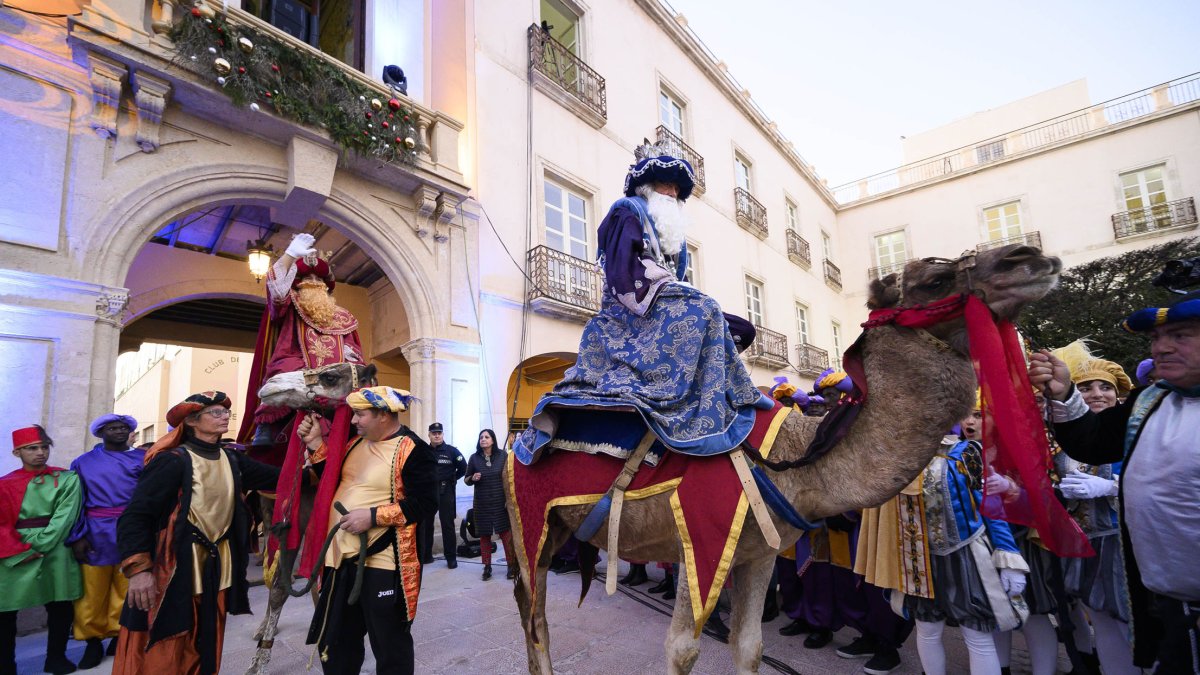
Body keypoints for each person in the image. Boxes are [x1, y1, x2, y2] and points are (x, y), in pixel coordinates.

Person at [513, 143, 771, 465]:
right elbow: (623, 274)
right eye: (666, 184)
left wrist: (682, 295)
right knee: (706, 310)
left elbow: (678, 284)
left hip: (661, 309)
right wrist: (676, 294)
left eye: (677, 189)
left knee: (740, 329)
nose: (673, 192)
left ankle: (703, 391)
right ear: (647, 187)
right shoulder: (627, 212)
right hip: (629, 311)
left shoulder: (672, 239)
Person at [1029, 293, 1200, 673]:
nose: (1161, 348)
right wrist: (1064, 393)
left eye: (1180, 335)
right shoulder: (1150, 401)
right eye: (1156, 338)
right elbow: (1094, 443)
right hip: (1161, 594)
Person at [113, 392, 281, 675]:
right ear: (191, 421)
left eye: (225, 412)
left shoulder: (233, 459)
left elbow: (282, 478)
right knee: (167, 645)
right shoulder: (172, 461)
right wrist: (139, 570)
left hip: (215, 566)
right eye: (215, 412)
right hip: (175, 566)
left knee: (207, 638)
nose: (225, 416)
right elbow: (136, 515)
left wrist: (316, 448)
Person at [857, 404, 1029, 675]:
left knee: (977, 633)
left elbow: (991, 508)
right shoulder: (902, 458)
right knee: (927, 629)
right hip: (918, 560)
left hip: (967, 555)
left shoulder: (968, 452)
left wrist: (1008, 556)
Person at [302, 386, 437, 675]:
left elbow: (426, 503)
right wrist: (315, 444)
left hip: (383, 565)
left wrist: (373, 516)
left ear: (383, 416)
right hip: (340, 561)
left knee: (390, 646)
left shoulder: (415, 450)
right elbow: (334, 480)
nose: (353, 420)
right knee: (337, 643)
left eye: (360, 415)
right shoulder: (354, 443)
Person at [239, 232, 365, 451]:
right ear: (297, 283)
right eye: (308, 279)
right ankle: (266, 425)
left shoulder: (343, 315)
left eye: (318, 279)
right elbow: (277, 292)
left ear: (326, 285)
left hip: (335, 368)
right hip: (297, 361)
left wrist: (350, 357)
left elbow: (352, 344)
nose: (314, 283)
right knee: (282, 372)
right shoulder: (290, 303)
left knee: (358, 378)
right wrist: (289, 255)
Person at [0, 425, 83, 675]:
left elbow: (65, 517)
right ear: (17, 452)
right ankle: (6, 665)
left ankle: (56, 659)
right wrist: (22, 550)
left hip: (56, 549)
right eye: (32, 448)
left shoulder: (68, 479)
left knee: (61, 606)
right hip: (14, 550)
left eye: (44, 447)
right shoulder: (4, 484)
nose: (40, 453)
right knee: (5, 611)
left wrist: (39, 545)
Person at [65, 413, 145, 670]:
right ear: (101, 433)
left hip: (131, 530)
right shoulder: (83, 462)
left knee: (127, 587)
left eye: (123, 427)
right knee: (92, 590)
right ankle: (92, 641)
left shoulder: (144, 458)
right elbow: (75, 502)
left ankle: (120, 635)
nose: (119, 431)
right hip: (95, 532)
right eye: (112, 428)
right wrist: (77, 536)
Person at [464, 429, 514, 581]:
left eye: (487, 437)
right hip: (482, 504)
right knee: (484, 536)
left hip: (500, 502)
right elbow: (466, 479)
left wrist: (509, 500)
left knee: (506, 536)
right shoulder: (474, 458)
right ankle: (487, 567)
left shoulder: (503, 456)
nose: (483, 439)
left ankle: (511, 566)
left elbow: (510, 477)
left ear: (493, 440)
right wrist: (473, 478)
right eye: (481, 437)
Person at [416, 422, 465, 568]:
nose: (436, 436)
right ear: (429, 435)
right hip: (428, 492)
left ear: (443, 434)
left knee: (447, 524)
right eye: (434, 433)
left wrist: (452, 479)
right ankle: (426, 555)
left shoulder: (452, 451)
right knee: (426, 524)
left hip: (445, 491)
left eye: (439, 433)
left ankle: (451, 558)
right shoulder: (423, 452)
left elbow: (463, 468)